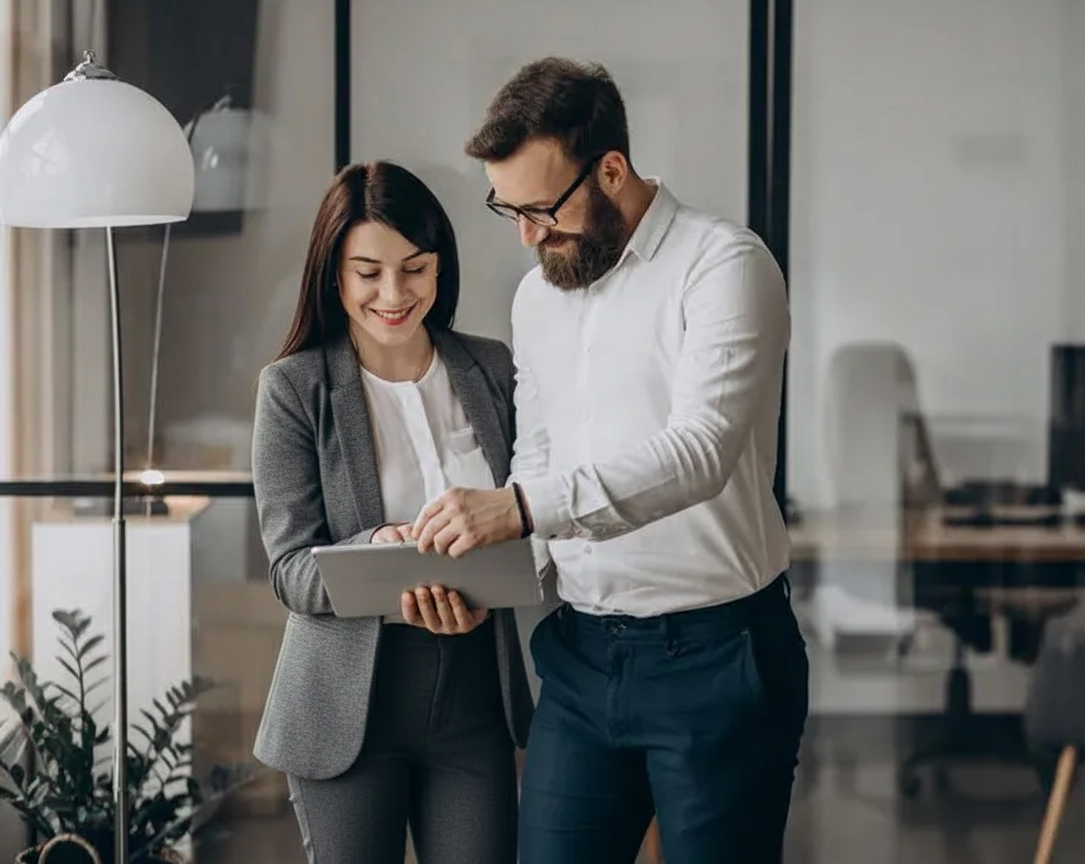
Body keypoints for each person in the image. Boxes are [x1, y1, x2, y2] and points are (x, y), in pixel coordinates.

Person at [411, 58, 810, 864]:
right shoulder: (538, 296)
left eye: (540, 208)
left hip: (718, 658)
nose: (526, 235)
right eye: (507, 210)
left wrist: (520, 508)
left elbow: (700, 452)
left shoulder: (724, 267)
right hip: (583, 658)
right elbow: (539, 454)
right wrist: (482, 563)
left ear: (612, 169)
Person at [250, 160, 533, 864]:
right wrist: (379, 552)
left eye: (414, 268)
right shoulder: (294, 387)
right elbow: (290, 570)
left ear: (440, 266)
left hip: (474, 701)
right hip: (347, 710)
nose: (393, 293)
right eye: (367, 272)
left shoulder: (494, 369)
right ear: (334, 276)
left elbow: (534, 510)